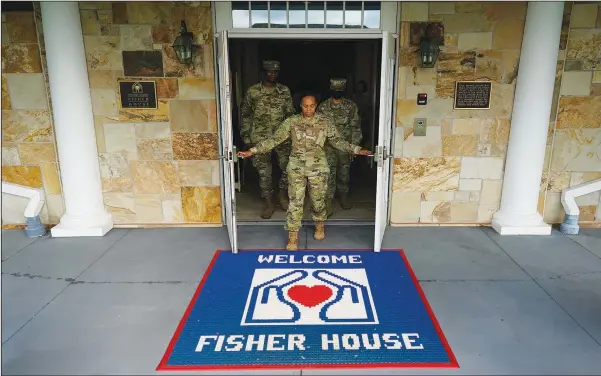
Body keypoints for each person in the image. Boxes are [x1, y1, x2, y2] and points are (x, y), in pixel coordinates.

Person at [238, 94, 371, 251]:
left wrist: (357, 149)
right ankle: (293, 237)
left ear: (316, 105)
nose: (309, 109)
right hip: (296, 167)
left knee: (318, 200)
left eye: (312, 106)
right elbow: (274, 140)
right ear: (300, 106)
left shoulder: (324, 122)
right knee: (295, 202)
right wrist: (252, 151)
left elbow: (337, 141)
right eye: (305, 106)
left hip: (318, 167)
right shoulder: (292, 122)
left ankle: (319, 225)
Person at [240, 60, 296, 219]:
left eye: (276, 72)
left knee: (288, 168)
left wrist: (293, 135)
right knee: (265, 173)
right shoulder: (253, 92)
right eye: (269, 72)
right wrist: (246, 137)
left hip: (282, 137)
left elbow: (290, 116)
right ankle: (268, 202)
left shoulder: (284, 91)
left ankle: (282, 194)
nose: (273, 75)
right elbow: (246, 116)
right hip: (259, 138)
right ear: (263, 72)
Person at [317, 78, 362, 215]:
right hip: (328, 147)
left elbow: (356, 127)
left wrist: (354, 146)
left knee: (344, 174)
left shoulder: (351, 106)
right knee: (328, 175)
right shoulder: (323, 107)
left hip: (345, 146)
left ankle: (343, 196)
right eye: (335, 90)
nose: (337, 92)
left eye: (340, 90)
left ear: (343, 90)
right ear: (330, 90)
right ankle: (328, 202)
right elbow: (318, 128)